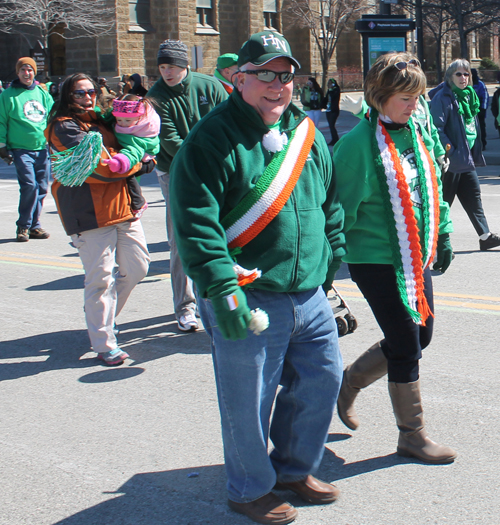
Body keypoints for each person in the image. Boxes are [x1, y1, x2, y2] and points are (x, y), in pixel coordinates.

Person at [170, 31, 345, 525]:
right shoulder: (212, 138)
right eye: (264, 74)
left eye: (285, 75)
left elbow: (329, 201)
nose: (277, 84)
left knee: (322, 380)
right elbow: (195, 222)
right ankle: (249, 488)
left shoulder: (305, 133)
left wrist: (332, 254)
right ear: (239, 78)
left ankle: (292, 470)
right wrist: (221, 289)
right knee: (248, 399)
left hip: (308, 292)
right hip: (246, 292)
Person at [333, 52, 457, 465]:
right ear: (379, 97)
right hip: (375, 260)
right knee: (406, 344)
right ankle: (413, 435)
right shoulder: (356, 147)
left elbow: (432, 186)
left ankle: (350, 381)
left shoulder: (415, 133)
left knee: (421, 337)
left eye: (417, 97)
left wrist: (443, 232)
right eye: (405, 98)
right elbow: (336, 211)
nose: (414, 105)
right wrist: (327, 267)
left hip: (415, 254)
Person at [45, 73, 154, 366]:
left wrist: (136, 157)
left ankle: (100, 317)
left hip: (124, 207)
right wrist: (137, 162)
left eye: (91, 91)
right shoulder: (63, 127)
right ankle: (104, 341)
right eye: (79, 93)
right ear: (67, 96)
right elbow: (99, 168)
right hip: (88, 214)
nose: (87, 97)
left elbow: (138, 141)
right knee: (100, 280)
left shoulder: (103, 119)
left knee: (138, 268)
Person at [148, 39, 228, 332]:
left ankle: (220, 297)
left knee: (224, 232)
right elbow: (171, 141)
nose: (167, 72)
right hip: (175, 172)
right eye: (162, 66)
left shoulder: (210, 86)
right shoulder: (155, 98)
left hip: (217, 169)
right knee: (181, 241)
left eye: (172, 66)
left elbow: (230, 121)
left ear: (185, 65)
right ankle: (185, 306)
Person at [429, 59, 500, 251]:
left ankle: (485, 237)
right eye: (458, 74)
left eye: (466, 74)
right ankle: (432, 241)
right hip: (451, 160)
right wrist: (446, 151)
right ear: (449, 77)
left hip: (465, 158)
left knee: (473, 196)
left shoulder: (469, 96)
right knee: (444, 202)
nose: (463, 78)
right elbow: (436, 128)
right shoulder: (442, 98)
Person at [0, 57, 53, 242]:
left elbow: (53, 117)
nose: (26, 73)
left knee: (42, 187)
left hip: (42, 148)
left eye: (30, 69)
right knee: (30, 186)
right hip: (20, 149)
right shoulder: (7, 95)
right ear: (18, 72)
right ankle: (23, 226)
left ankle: (34, 226)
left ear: (34, 72)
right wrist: (2, 146)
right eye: (23, 70)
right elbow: (1, 121)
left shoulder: (42, 93)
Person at [101, 94, 160, 217]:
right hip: (131, 157)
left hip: (138, 157)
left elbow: (133, 151)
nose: (123, 124)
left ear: (140, 117)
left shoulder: (143, 131)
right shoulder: (126, 120)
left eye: (127, 120)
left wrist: (119, 161)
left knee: (129, 177)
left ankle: (137, 202)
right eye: (119, 120)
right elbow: (106, 118)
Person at [471, 68, 488, 150]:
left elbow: (485, 96)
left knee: (481, 127)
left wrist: (483, 109)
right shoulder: (467, 84)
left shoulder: (480, 84)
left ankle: (482, 143)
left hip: (480, 110)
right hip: (470, 111)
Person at [323, 77, 341, 145]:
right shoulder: (329, 90)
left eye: (331, 83)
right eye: (329, 83)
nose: (329, 85)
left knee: (332, 125)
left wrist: (331, 90)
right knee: (330, 125)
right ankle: (333, 139)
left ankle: (336, 139)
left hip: (334, 110)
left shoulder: (336, 90)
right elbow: (326, 98)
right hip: (328, 110)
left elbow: (334, 97)